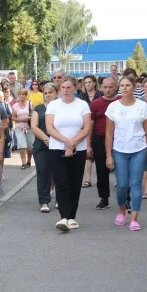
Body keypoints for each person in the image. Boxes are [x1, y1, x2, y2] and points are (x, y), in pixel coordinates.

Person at [105, 76, 147, 231]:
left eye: (128, 85)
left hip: (139, 149)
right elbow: (108, 133)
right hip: (119, 150)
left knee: (135, 184)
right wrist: (108, 155)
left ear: (134, 87)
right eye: (122, 85)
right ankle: (122, 210)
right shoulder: (113, 107)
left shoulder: (142, 106)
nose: (125, 88)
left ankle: (134, 217)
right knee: (121, 185)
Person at [45, 76, 92, 232]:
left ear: (75, 88)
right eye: (63, 87)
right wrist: (66, 142)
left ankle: (72, 217)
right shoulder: (53, 105)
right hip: (57, 148)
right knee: (62, 182)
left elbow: (86, 128)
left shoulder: (83, 105)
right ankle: (64, 217)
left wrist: (73, 143)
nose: (65, 90)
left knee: (74, 183)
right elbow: (50, 128)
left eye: (69, 87)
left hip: (79, 149)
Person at [88, 78, 120, 210]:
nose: (108, 90)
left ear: (116, 87)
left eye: (111, 87)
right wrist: (88, 144)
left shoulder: (121, 102)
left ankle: (126, 199)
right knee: (102, 171)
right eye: (105, 87)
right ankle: (104, 198)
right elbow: (90, 124)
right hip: (100, 139)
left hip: (120, 140)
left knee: (123, 170)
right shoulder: (95, 103)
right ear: (100, 88)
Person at [31, 82, 59, 213]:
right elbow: (34, 127)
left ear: (56, 93)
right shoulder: (39, 108)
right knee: (43, 172)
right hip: (41, 145)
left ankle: (60, 198)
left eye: (50, 92)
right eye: (45, 93)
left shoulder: (62, 108)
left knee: (59, 173)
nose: (48, 95)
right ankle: (44, 201)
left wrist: (55, 139)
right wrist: (46, 139)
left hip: (59, 144)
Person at [77, 75, 102, 189]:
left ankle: (102, 178)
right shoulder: (82, 96)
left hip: (99, 125)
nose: (87, 84)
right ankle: (87, 179)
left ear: (94, 83)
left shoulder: (100, 95)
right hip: (86, 126)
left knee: (101, 154)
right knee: (87, 153)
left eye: (89, 82)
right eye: (85, 83)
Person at [11, 88, 34, 169]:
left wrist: (30, 117)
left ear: (26, 95)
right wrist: (21, 119)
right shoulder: (15, 106)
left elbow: (34, 115)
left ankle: (29, 160)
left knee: (30, 146)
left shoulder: (30, 104)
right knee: (22, 145)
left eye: (23, 94)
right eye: (20, 94)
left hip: (29, 128)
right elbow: (13, 117)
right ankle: (23, 163)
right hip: (19, 128)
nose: (21, 96)